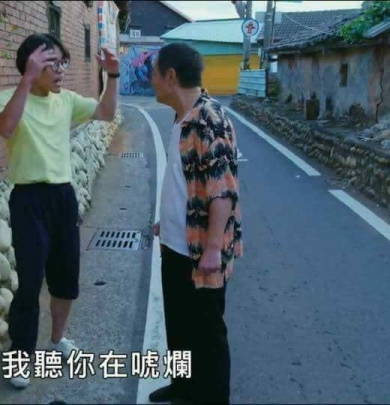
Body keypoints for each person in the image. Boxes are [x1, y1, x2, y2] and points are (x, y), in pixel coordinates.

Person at [0, 33, 120, 389]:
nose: (61, 70)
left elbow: (107, 112)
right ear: (32, 65)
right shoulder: (8, 98)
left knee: (65, 277)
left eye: (63, 62)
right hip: (29, 200)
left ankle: (57, 339)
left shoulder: (66, 101)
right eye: (53, 63)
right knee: (30, 282)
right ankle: (21, 356)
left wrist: (112, 75)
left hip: (63, 196)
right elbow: (6, 128)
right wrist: (27, 81)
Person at [148, 42, 243, 404]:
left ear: (170, 77)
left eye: (154, 73)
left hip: (202, 250)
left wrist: (214, 248)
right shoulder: (181, 117)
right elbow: (183, 180)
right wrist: (167, 222)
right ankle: (183, 387)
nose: (151, 80)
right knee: (179, 324)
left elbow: (222, 191)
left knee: (207, 335)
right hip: (175, 243)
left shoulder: (209, 119)